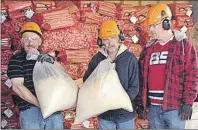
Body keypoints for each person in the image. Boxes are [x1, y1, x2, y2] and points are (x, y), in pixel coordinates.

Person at [137, 4, 198, 129]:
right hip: (153, 108)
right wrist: (140, 102)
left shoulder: (184, 46)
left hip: (175, 108)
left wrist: (188, 102)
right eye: (150, 26)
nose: (151, 30)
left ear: (166, 23)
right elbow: (141, 78)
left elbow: (192, 75)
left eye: (154, 26)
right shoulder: (148, 49)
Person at [83, 20, 139, 129]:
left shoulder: (129, 59)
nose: (110, 42)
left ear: (119, 38)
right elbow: (87, 81)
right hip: (105, 115)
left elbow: (134, 87)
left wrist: (119, 102)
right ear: (101, 42)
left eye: (113, 38)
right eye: (106, 39)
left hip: (125, 115)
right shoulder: (97, 59)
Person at [7, 22, 63, 129]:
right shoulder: (16, 60)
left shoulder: (46, 58)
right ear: (22, 41)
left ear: (40, 41)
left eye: (34, 39)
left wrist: (53, 62)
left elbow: (63, 78)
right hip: (31, 111)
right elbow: (18, 87)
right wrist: (41, 104)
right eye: (26, 39)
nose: (30, 42)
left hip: (53, 111)